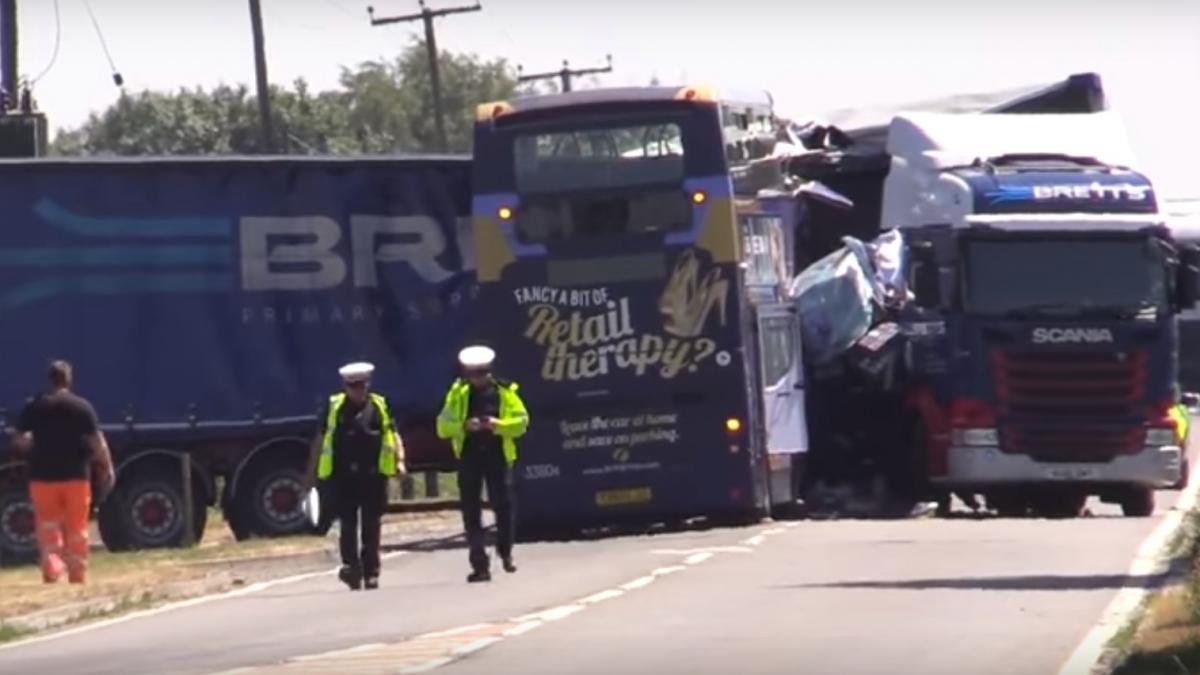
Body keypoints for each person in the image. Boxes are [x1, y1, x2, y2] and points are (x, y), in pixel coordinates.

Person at [9, 360, 114, 584]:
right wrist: (107, 469)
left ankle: (52, 567)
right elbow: (98, 444)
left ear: (50, 379)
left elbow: (18, 440)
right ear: (69, 379)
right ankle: (77, 574)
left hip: (43, 478)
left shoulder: (35, 407)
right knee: (77, 527)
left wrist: (31, 445)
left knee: (48, 526)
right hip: (76, 477)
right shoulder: (82, 407)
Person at [305, 362, 405, 591]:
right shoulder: (335, 408)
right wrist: (311, 473)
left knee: (371, 526)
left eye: (360, 386)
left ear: (368, 384)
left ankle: (372, 573)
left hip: (373, 475)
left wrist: (399, 461)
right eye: (352, 387)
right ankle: (352, 568)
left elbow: (393, 433)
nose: (357, 391)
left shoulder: (380, 405)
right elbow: (320, 440)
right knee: (347, 526)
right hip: (344, 476)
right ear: (345, 387)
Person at [437, 345, 529, 583]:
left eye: (483, 372)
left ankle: (506, 552)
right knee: (471, 511)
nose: (479, 378)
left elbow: (521, 423)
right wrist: (464, 427)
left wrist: (498, 425)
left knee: (504, 506)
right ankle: (479, 564)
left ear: (490, 371)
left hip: (497, 455)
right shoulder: (457, 395)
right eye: (474, 373)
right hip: (470, 456)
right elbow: (442, 427)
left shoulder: (506, 392)